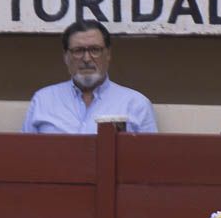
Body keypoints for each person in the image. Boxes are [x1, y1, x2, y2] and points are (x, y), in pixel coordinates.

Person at [21, 19, 157, 134]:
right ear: (66, 57)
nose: (86, 58)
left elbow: (150, 159)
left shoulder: (136, 104)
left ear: (108, 54)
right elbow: (24, 156)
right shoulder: (43, 100)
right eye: (78, 51)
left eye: (95, 50)